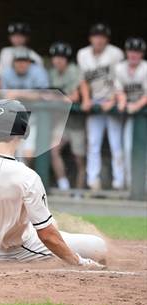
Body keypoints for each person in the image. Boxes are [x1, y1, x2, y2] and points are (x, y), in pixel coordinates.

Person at [0, 99, 106, 267]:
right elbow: (47, 236)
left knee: (49, 222)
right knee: (99, 246)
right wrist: (79, 262)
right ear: (22, 130)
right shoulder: (27, 176)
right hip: (18, 249)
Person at [77, 23, 125, 190]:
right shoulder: (82, 54)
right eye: (96, 36)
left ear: (107, 39)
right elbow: (83, 80)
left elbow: (120, 79)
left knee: (116, 144)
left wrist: (113, 100)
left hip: (112, 101)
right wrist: (86, 98)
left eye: (102, 36)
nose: (99, 39)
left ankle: (119, 182)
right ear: (91, 38)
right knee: (93, 143)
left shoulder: (116, 53)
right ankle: (93, 181)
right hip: (95, 101)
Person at [48, 42, 85, 191]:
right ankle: (64, 186)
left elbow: (75, 97)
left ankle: (80, 191)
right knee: (53, 150)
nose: (58, 60)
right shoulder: (51, 73)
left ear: (67, 59)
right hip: (61, 122)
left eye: (62, 57)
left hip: (76, 121)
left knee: (79, 158)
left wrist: (58, 98)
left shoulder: (74, 71)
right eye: (56, 57)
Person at [0, 47, 49, 159]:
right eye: (18, 61)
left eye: (24, 61)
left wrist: (19, 94)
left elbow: (44, 95)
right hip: (15, 116)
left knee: (28, 154)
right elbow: (5, 96)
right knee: (13, 152)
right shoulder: (7, 73)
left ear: (29, 62)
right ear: (13, 63)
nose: (21, 64)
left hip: (37, 116)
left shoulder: (38, 72)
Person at [115, 37, 147, 189]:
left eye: (137, 52)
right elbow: (119, 90)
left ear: (142, 54)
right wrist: (122, 100)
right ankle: (131, 184)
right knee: (127, 149)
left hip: (143, 113)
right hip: (132, 117)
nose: (134, 54)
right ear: (127, 52)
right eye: (131, 51)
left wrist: (136, 105)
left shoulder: (146, 67)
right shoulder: (120, 68)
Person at [0, 22, 43, 89]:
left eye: (21, 35)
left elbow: (40, 84)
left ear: (27, 37)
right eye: (14, 35)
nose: (17, 38)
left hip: (29, 93)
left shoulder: (35, 56)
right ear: (10, 37)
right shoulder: (5, 52)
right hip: (9, 93)